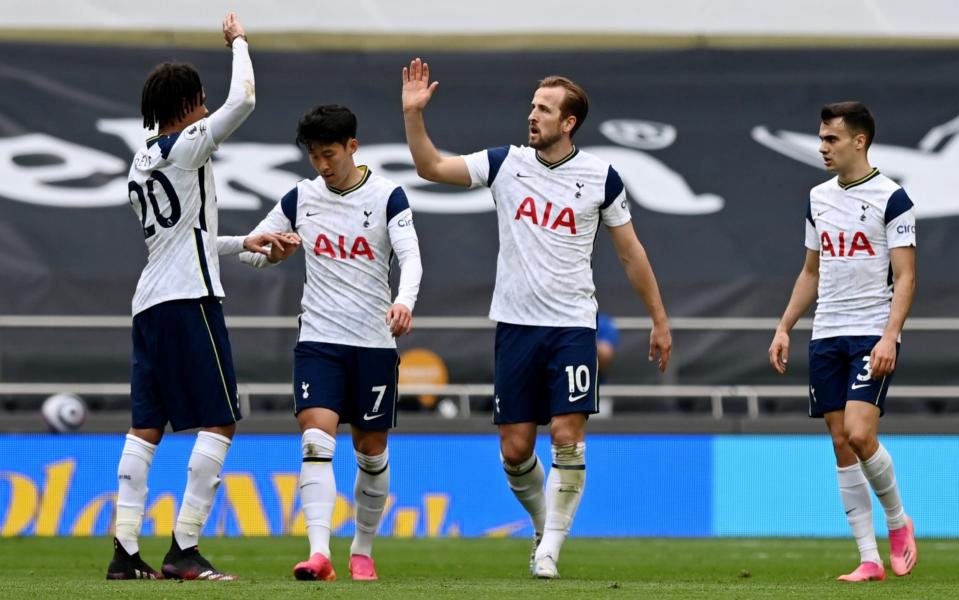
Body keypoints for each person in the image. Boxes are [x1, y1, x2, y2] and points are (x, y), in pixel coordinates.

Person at [401, 58, 671, 578]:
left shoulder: (600, 178)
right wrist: (414, 116)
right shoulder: (505, 163)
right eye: (532, 106)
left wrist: (658, 319)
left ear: (568, 122)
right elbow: (431, 166)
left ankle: (549, 549)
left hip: (572, 327)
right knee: (515, 449)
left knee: (568, 435)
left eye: (544, 109)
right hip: (515, 327)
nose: (533, 115)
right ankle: (545, 525)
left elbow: (631, 253)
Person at [106, 13, 291, 582]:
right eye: (201, 101)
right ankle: (184, 547)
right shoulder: (189, 145)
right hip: (190, 301)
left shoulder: (139, 164)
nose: (209, 109)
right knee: (220, 420)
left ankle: (125, 552)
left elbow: (187, 237)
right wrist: (239, 42)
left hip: (150, 304)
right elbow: (247, 99)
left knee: (146, 427)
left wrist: (245, 243)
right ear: (186, 106)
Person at [240, 104, 423, 582]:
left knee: (371, 450)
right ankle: (319, 554)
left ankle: (362, 549)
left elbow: (411, 259)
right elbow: (256, 249)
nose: (321, 165)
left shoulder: (388, 196)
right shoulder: (300, 199)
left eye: (329, 154)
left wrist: (403, 301)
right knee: (316, 439)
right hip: (319, 340)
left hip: (373, 344)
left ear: (352, 147)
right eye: (314, 156)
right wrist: (271, 254)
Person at [769, 101, 918, 582]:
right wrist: (785, 326)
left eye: (831, 139)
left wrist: (890, 337)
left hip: (871, 332)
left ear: (860, 140)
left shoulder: (893, 199)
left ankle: (899, 524)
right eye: (820, 138)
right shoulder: (816, 198)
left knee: (859, 432)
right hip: (826, 334)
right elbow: (811, 271)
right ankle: (868, 559)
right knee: (840, 443)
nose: (821, 147)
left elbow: (907, 275)